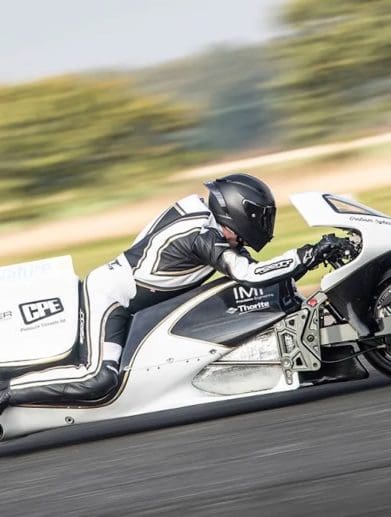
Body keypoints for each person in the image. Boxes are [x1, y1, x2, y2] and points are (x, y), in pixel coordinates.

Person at [0, 173, 346, 412]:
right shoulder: (203, 235)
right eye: (259, 218)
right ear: (239, 212)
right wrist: (306, 255)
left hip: (119, 295)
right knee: (100, 379)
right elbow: (248, 273)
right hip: (109, 298)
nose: (261, 227)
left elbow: (249, 271)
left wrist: (301, 261)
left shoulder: (205, 220)